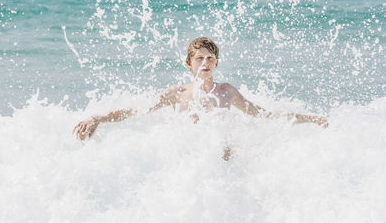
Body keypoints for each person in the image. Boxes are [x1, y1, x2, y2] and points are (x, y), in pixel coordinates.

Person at [73, 37, 328, 160]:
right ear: (189, 63)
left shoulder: (227, 91)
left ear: (217, 63)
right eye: (199, 58)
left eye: (209, 58)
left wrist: (311, 119)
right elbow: (138, 110)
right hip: (191, 162)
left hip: (223, 164)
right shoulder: (177, 94)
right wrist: (100, 117)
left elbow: (264, 115)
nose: (204, 62)